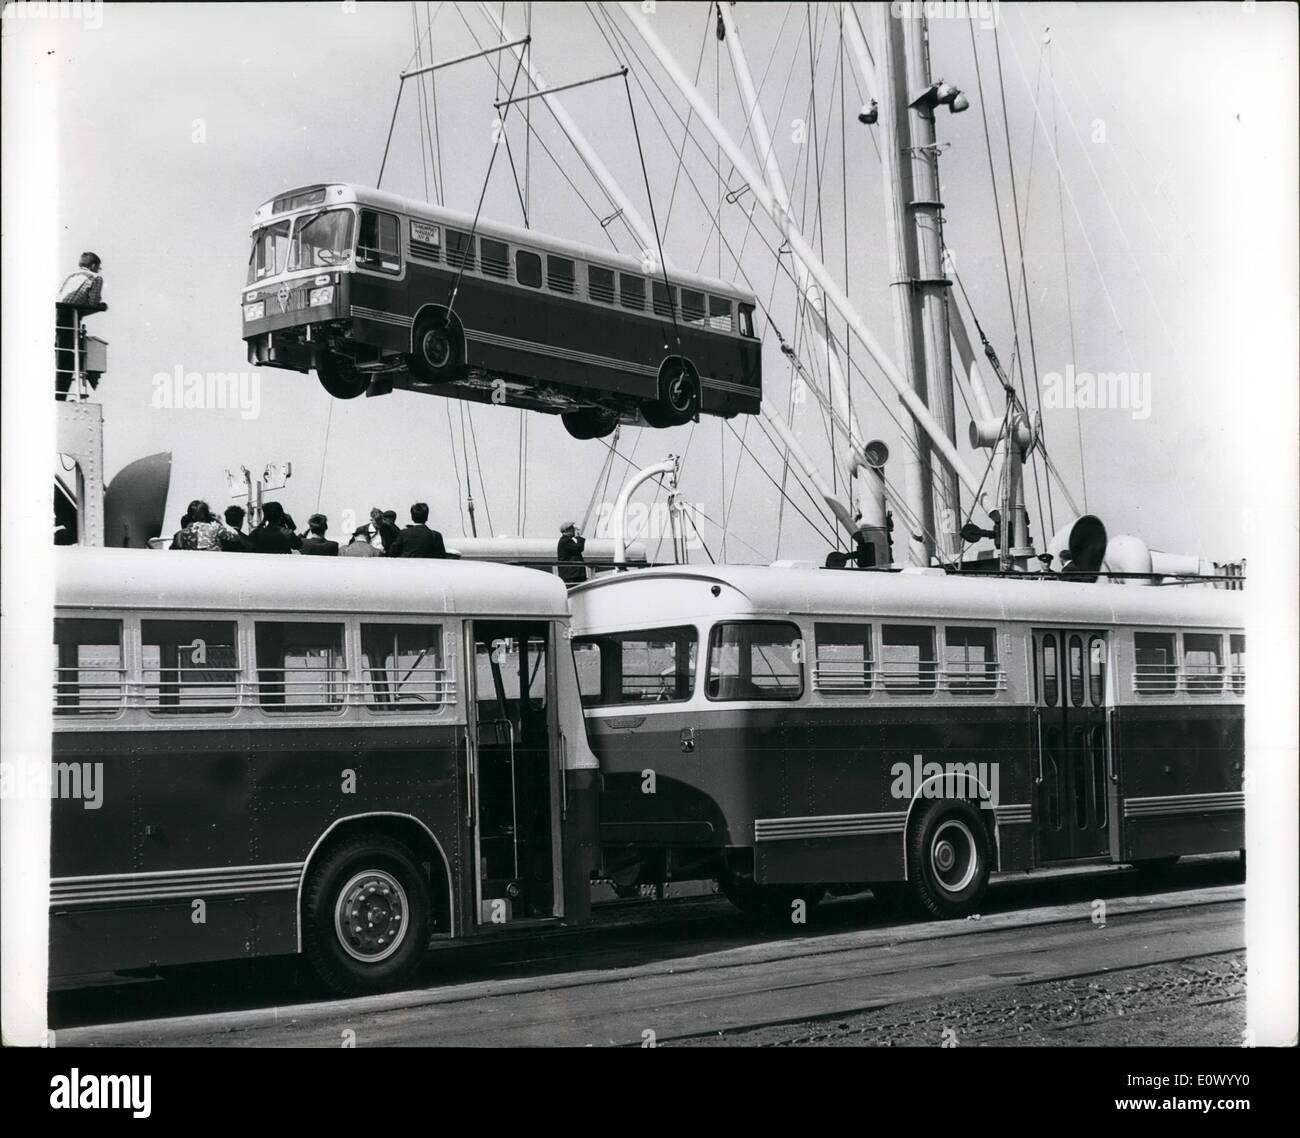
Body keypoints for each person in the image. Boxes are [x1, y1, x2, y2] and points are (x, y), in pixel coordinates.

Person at [56, 252, 107, 400]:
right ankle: (61, 395)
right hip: (69, 318)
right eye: (98, 267)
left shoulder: (71, 276)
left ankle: (61, 394)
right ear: (93, 266)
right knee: (68, 358)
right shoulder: (95, 277)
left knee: (62, 355)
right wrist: (100, 305)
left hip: (57, 315)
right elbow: (93, 302)